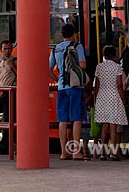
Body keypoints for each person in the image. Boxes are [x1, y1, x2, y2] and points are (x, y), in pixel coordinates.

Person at [49, 23, 89, 160]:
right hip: (76, 87)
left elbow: (49, 68)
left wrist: (58, 78)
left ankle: (63, 152)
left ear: (61, 34)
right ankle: (76, 151)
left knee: (63, 120)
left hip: (62, 87)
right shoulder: (77, 46)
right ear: (74, 34)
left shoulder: (56, 48)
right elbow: (82, 65)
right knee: (76, 119)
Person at [93, 45, 128, 161]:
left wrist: (95, 99)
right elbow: (119, 85)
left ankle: (103, 153)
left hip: (102, 96)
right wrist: (123, 99)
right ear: (114, 55)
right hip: (113, 96)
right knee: (113, 125)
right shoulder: (117, 67)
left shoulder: (99, 67)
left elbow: (96, 85)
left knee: (104, 125)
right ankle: (113, 153)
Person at [0, 40, 17, 155]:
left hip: (12, 93)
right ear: (1, 50)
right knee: (5, 120)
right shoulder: (1, 63)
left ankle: (6, 146)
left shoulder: (15, 60)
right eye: (5, 48)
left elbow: (22, 75)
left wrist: (12, 65)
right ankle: (6, 145)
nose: (7, 50)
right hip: (4, 93)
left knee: (9, 120)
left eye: (9, 48)